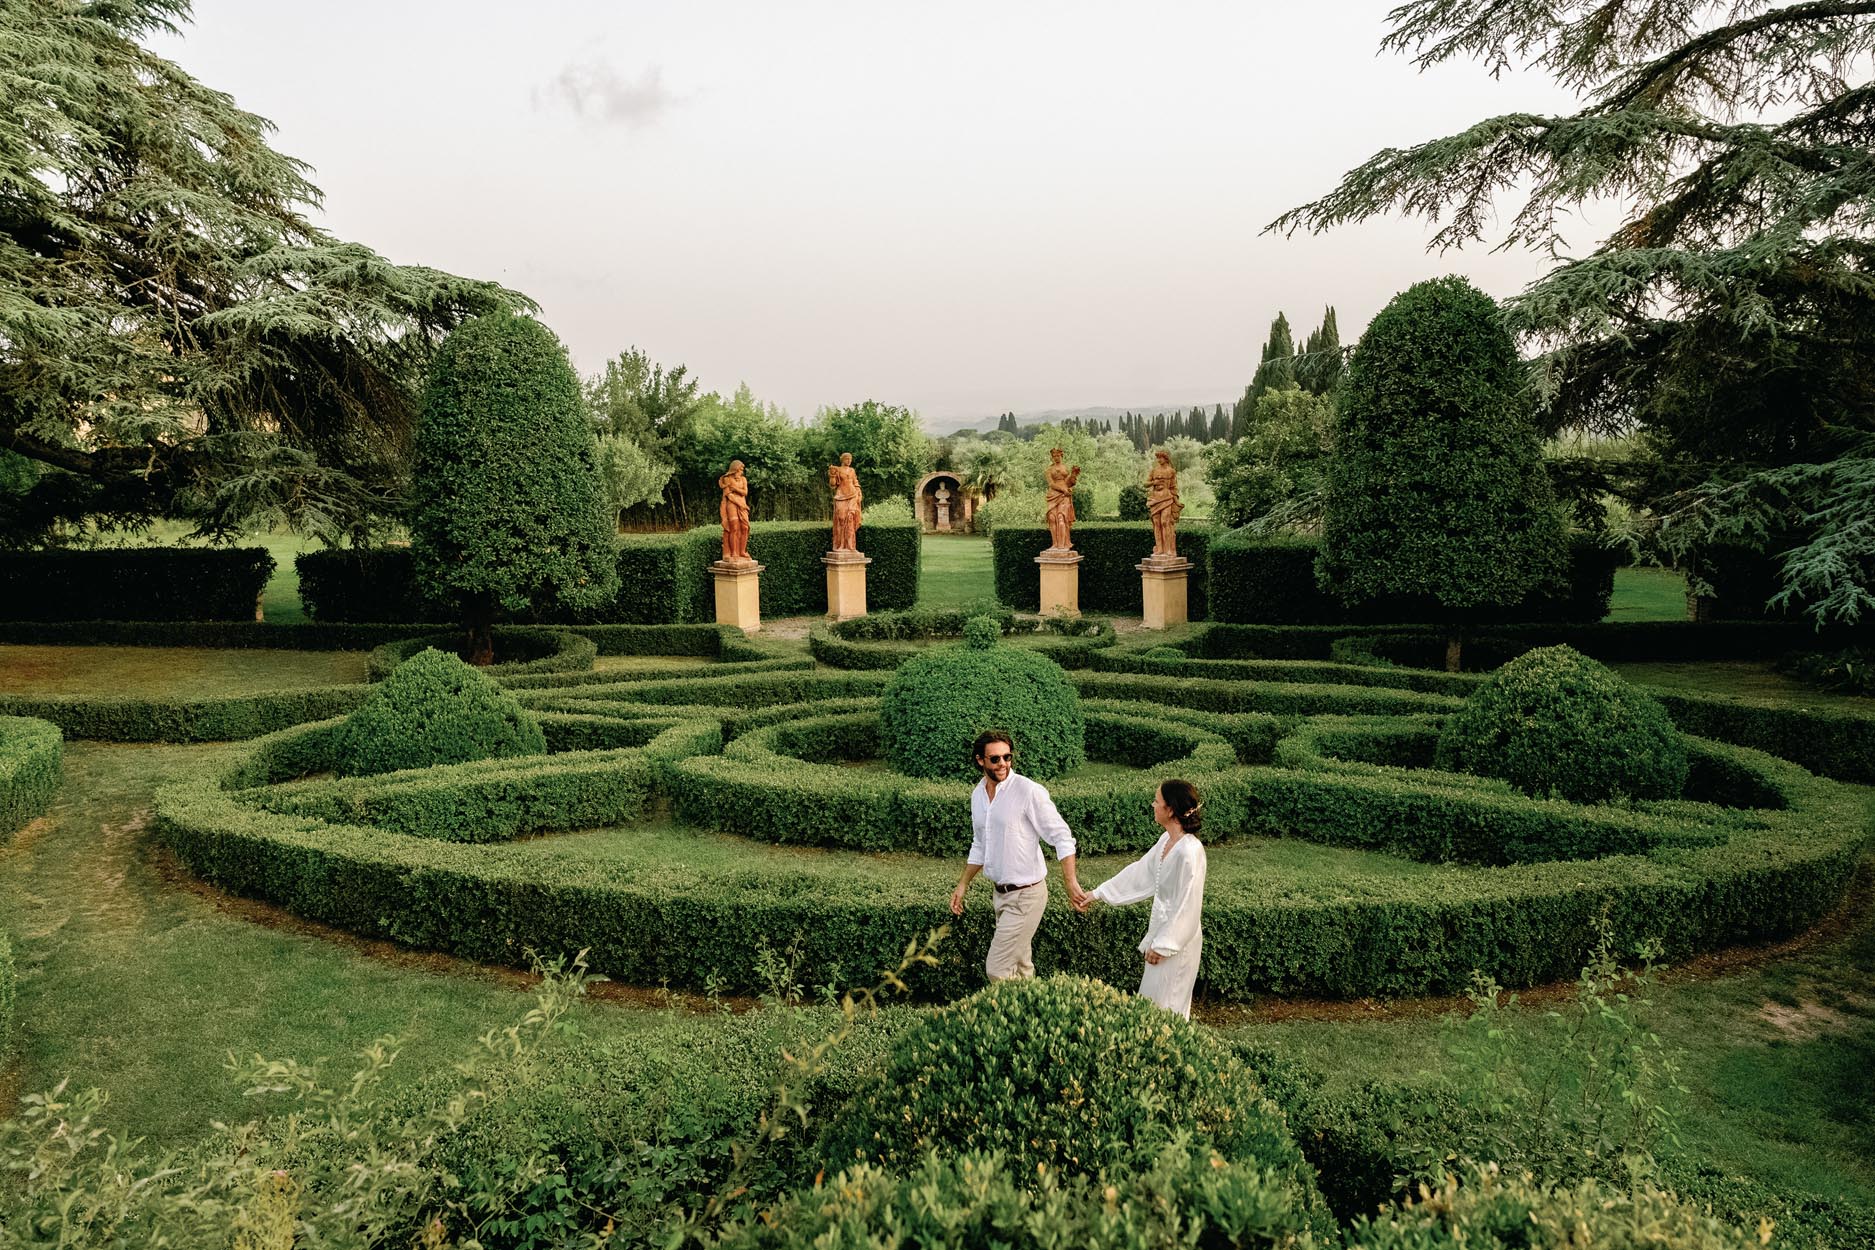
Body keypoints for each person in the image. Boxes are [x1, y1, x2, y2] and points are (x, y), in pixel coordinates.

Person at [950, 730, 1086, 980]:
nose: (1003, 764)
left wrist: (1071, 882)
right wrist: (962, 884)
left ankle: (1006, 1016)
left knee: (998, 968)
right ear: (980, 760)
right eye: (995, 759)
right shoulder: (977, 795)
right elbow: (980, 843)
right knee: (1022, 967)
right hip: (1000, 896)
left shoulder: (1028, 791)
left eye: (1007, 757)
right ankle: (1033, 1014)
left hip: (1026, 896)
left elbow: (1061, 836)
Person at [1075, 778, 1207, 1018]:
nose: (1153, 805)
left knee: (1169, 1002)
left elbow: (1187, 904)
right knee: (1152, 999)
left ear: (1170, 810)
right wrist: (1097, 893)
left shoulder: (1190, 852)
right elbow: (1140, 872)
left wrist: (1165, 945)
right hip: (1161, 930)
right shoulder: (1166, 840)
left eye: (1157, 801)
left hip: (1178, 940)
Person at [1145, 449, 1182, 559]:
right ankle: (1160, 549)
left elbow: (1173, 487)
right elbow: (1145, 483)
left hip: (1167, 498)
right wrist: (1153, 482)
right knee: (1156, 523)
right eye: (1158, 457)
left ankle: (1169, 549)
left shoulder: (1171, 471)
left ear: (1166, 458)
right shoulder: (1154, 470)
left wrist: (1176, 501)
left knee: (1165, 522)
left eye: (1160, 457)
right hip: (1155, 499)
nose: (1158, 459)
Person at [1043, 447, 1081, 551]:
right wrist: (1063, 489)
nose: (1056, 458)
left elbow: (1070, 483)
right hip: (1053, 494)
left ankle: (1062, 545)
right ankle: (1054, 544)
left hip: (1064, 496)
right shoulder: (1049, 470)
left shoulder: (1065, 468)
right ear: (1052, 457)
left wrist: (1073, 474)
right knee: (1052, 518)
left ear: (1061, 456)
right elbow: (1051, 484)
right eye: (1054, 456)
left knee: (1061, 518)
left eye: (1058, 455)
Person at [828, 452, 863, 551]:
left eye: (850, 459)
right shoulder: (837, 469)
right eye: (847, 459)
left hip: (853, 495)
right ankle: (840, 545)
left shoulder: (852, 470)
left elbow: (855, 482)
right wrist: (832, 475)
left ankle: (850, 546)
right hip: (841, 495)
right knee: (841, 518)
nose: (849, 461)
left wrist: (859, 493)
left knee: (850, 519)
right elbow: (833, 485)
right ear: (842, 459)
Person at [718, 459, 751, 561]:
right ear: (735, 469)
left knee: (745, 527)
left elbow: (745, 492)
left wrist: (735, 489)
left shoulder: (743, 479)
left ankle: (742, 551)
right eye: (740, 469)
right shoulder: (727, 479)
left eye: (742, 470)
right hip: (732, 505)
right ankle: (734, 552)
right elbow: (729, 496)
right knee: (734, 527)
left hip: (742, 505)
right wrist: (740, 504)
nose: (742, 472)